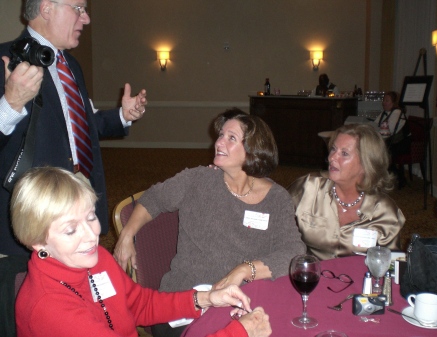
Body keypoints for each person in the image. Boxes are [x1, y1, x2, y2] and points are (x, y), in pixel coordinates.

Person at [0, 1, 146, 334]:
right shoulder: (3, 60)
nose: (87, 17)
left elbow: (81, 124)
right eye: (78, 8)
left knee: (84, 306)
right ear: (47, 7)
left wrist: (123, 116)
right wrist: (10, 103)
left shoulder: (70, 65)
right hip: (30, 231)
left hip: (74, 219)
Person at [11, 167, 272, 337]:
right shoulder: (49, 307)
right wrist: (238, 333)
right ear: (37, 242)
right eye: (70, 230)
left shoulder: (94, 258)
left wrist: (207, 298)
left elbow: (139, 305)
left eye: (90, 217)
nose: (92, 235)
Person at [114, 108, 306, 337]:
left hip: (246, 300)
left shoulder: (277, 198)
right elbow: (154, 199)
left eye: (231, 138)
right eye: (221, 135)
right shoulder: (198, 180)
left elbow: (294, 251)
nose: (219, 142)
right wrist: (127, 235)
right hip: (186, 301)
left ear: (253, 151)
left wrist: (245, 270)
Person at [288, 124, 405, 260]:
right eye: (333, 149)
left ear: (366, 164)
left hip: (359, 280)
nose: (332, 158)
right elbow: (274, 223)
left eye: (344, 153)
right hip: (311, 277)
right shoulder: (308, 188)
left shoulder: (384, 212)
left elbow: (391, 264)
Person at [374, 91, 411, 187]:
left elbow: (388, 132)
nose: (383, 102)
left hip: (402, 143)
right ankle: (392, 175)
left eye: (387, 100)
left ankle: (396, 176)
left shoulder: (397, 113)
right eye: (384, 100)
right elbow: (375, 125)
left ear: (394, 103)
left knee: (384, 152)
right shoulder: (384, 112)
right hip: (391, 141)